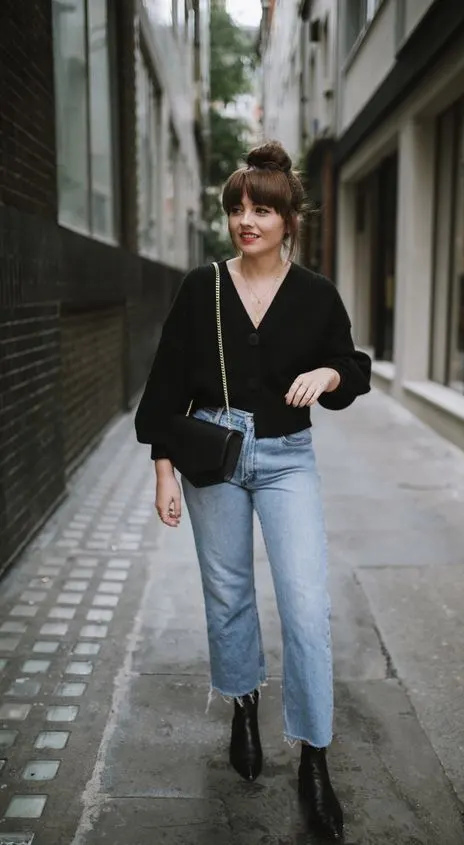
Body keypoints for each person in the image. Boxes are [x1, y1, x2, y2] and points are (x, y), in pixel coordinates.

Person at [134, 140, 371, 840]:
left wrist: (329, 377)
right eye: (237, 206)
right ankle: (243, 703)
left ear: (287, 219)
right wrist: (162, 468)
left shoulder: (316, 294)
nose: (246, 219)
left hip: (289, 459)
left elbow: (350, 365)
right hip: (215, 454)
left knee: (305, 606)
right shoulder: (201, 287)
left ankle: (314, 758)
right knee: (229, 593)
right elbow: (167, 385)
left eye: (261, 208)